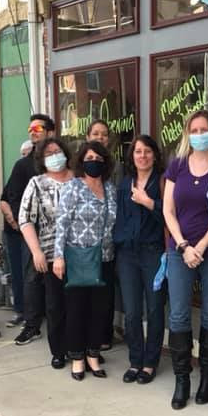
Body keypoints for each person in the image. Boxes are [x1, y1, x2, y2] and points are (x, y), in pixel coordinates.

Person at [163, 110, 208, 409]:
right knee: (178, 315)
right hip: (179, 251)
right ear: (187, 133)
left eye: (204, 129)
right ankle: (182, 379)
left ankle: (207, 377)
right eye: (194, 129)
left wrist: (200, 246)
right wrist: (183, 246)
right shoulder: (177, 165)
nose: (199, 134)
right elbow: (167, 211)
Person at [53, 141, 117, 381]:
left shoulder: (110, 189)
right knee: (77, 309)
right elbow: (62, 223)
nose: (94, 162)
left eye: (99, 159)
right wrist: (58, 256)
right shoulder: (73, 187)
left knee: (99, 311)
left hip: (104, 258)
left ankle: (93, 353)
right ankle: (77, 357)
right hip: (78, 256)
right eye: (90, 158)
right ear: (81, 161)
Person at [114, 135, 166, 384]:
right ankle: (135, 360)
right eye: (138, 151)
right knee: (132, 311)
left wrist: (149, 203)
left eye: (147, 151)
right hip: (128, 255)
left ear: (154, 155)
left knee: (155, 309)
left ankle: (150, 363)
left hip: (154, 252)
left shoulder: (163, 183)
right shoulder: (125, 184)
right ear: (132, 157)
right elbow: (120, 220)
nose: (142, 156)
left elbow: (170, 218)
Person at [18, 138, 74, 368]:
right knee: (55, 305)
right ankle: (59, 350)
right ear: (41, 159)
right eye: (49, 153)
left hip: (81, 252)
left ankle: (80, 348)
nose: (54, 156)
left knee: (80, 304)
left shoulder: (79, 178)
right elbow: (25, 219)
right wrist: (36, 252)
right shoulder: (37, 183)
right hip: (50, 253)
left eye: (58, 151)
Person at [1, 114, 56, 336]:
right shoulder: (23, 165)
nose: (33, 131)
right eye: (30, 128)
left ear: (51, 132)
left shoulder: (63, 161)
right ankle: (31, 323)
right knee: (32, 276)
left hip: (59, 232)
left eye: (38, 128)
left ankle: (54, 318)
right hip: (33, 231)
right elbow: (12, 196)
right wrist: (22, 223)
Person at [85, 118, 121, 351]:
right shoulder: (81, 169)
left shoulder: (117, 168)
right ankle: (86, 337)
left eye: (104, 134)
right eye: (96, 133)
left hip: (109, 244)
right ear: (88, 137)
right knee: (86, 293)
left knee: (106, 292)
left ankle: (104, 335)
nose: (100, 137)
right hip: (84, 246)